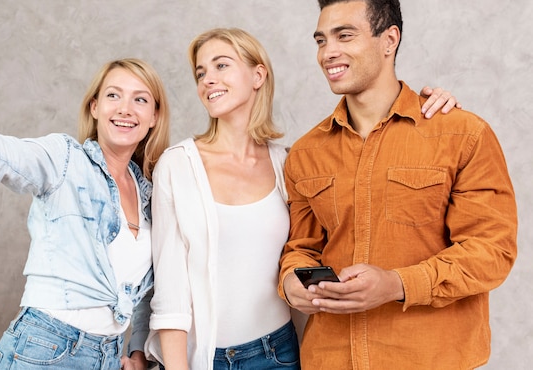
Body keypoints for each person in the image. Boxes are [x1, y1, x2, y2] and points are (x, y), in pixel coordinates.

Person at [144, 28, 460, 370]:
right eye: (201, 73)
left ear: (258, 75)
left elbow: (316, 246)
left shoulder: (288, 162)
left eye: (221, 66)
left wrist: (435, 108)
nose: (208, 80)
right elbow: (170, 290)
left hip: (280, 353)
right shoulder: (177, 165)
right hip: (205, 358)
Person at [279, 0, 518, 369]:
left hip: (430, 358)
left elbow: (492, 250)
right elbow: (300, 248)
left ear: (389, 40)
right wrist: (292, 282)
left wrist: (398, 285)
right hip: (330, 358)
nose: (328, 52)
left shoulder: (461, 134)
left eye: (344, 36)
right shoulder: (307, 152)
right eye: (321, 40)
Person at [0, 56, 171, 370]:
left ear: (154, 116)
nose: (125, 109)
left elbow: (149, 292)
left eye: (140, 99)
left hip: (107, 357)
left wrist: (139, 354)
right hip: (45, 350)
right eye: (113, 95)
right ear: (94, 107)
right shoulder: (63, 159)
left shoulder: (152, 194)